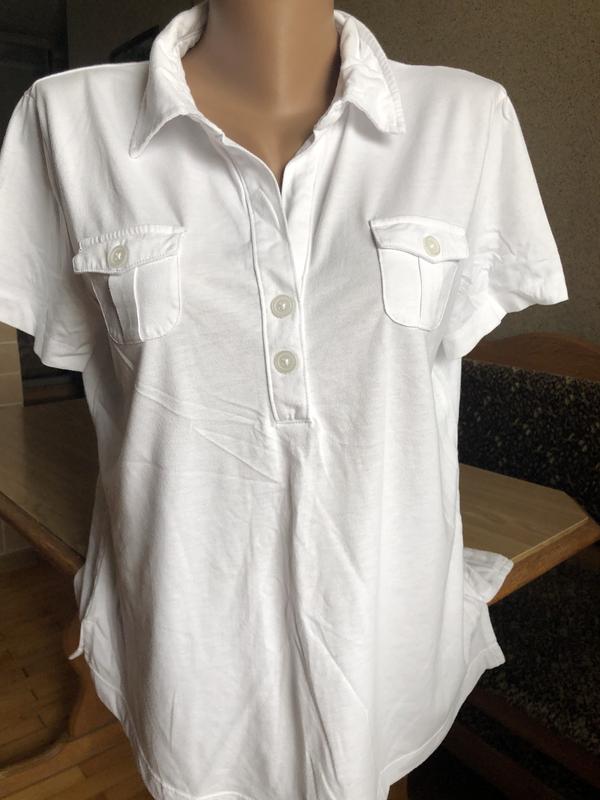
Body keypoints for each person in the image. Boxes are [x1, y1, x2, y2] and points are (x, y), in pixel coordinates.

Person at [0, 2, 569, 799]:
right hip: (188, 641)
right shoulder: (66, 121)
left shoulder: (466, 120)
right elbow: (76, 342)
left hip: (387, 625)